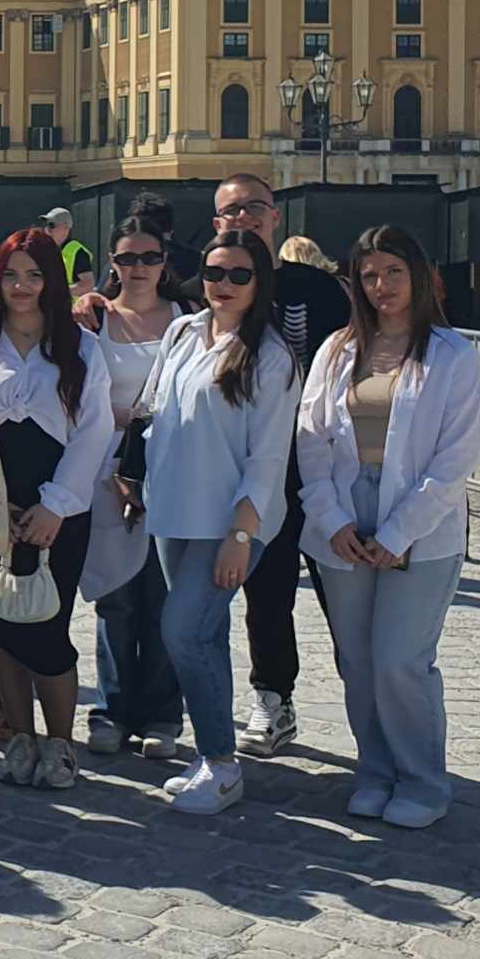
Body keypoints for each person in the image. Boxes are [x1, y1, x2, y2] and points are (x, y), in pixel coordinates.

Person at [298, 225, 480, 829]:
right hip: (346, 515)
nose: (381, 287)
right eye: (370, 275)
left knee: (401, 658)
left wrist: (398, 533)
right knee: (358, 658)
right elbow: (313, 441)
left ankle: (423, 780)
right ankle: (374, 770)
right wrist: (332, 518)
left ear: (419, 276)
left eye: (393, 273)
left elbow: (453, 461)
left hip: (420, 523)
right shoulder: (336, 350)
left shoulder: (454, 355)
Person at [134, 229, 300, 814]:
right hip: (172, 511)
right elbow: (156, 412)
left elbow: (269, 458)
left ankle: (223, 764)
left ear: (260, 282)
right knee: (204, 634)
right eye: (213, 273)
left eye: (238, 275)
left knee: (182, 630)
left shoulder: (271, 357)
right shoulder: (182, 331)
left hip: (229, 522)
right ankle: (211, 755)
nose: (223, 285)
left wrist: (241, 535)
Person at [208, 174, 350, 758]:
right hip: (246, 473)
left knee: (346, 600)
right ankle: (273, 697)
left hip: (320, 470)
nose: (243, 219)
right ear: (217, 222)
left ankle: (375, 705)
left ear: (275, 219)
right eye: (231, 210)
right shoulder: (206, 284)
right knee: (266, 594)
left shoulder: (315, 289)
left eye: (255, 209)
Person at [0, 229, 112, 790]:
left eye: (33, 275)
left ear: (51, 280)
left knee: (48, 626)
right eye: (10, 274)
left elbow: (94, 433)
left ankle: (60, 743)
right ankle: (20, 736)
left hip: (60, 510)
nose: (21, 286)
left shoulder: (83, 349)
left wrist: (54, 506)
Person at [81, 216, 194, 761]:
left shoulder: (187, 321)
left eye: (149, 258)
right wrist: (124, 415)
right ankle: (112, 707)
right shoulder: (93, 321)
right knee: (116, 599)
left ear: (164, 262)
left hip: (171, 471)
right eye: (127, 259)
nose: (139, 268)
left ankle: (164, 714)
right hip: (110, 469)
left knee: (164, 599)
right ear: (112, 263)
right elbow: (76, 394)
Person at [41, 207, 95, 298]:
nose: (47, 229)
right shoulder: (49, 251)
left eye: (51, 225)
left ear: (66, 227)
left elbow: (88, 285)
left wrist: (57, 292)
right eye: (45, 225)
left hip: (72, 310)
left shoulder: (78, 252)